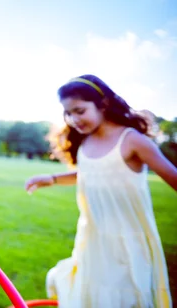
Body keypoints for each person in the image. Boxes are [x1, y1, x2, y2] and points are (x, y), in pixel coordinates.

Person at [25, 75, 176, 308]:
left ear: (103, 104)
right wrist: (52, 179)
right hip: (93, 237)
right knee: (92, 295)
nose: (73, 119)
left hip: (128, 242)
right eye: (68, 113)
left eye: (79, 110)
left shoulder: (132, 140)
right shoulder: (86, 142)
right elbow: (90, 173)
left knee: (122, 297)